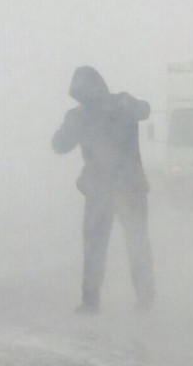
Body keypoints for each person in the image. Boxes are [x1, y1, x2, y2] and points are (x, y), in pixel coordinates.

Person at [52, 66, 155, 314]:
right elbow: (145, 109)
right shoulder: (120, 103)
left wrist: (76, 122)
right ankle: (144, 299)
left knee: (96, 247)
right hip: (128, 188)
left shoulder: (81, 115)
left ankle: (91, 302)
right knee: (136, 244)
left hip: (103, 190)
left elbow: (59, 145)